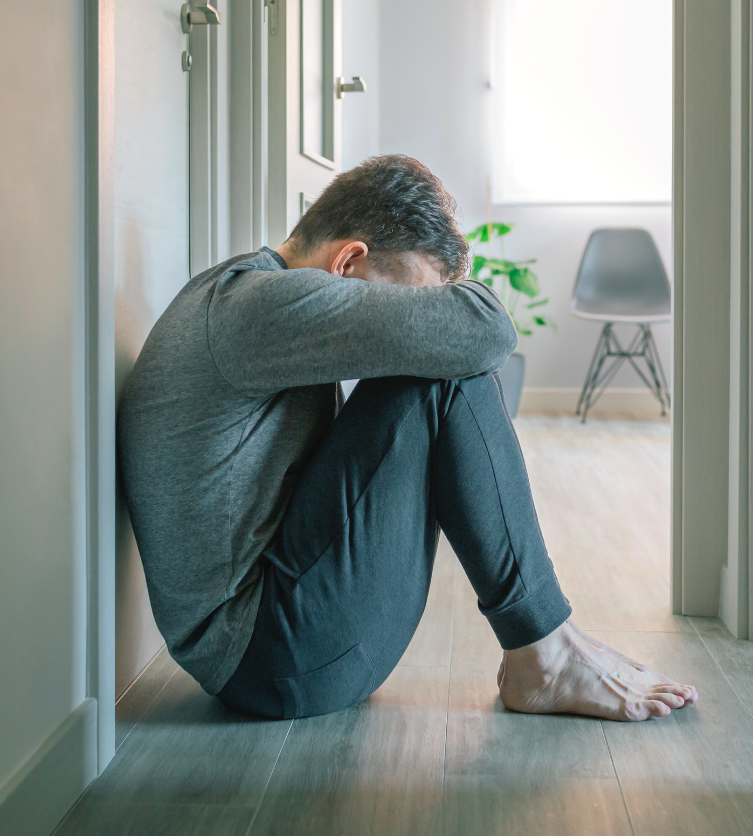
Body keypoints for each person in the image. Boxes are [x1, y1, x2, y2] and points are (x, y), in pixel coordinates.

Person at [118, 155, 697, 722]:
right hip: (270, 659)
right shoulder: (260, 306)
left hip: (275, 646)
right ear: (348, 263)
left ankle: (550, 637)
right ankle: (543, 649)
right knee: (442, 369)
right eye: (408, 298)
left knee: (439, 356)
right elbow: (487, 327)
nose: (405, 316)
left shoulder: (245, 295)